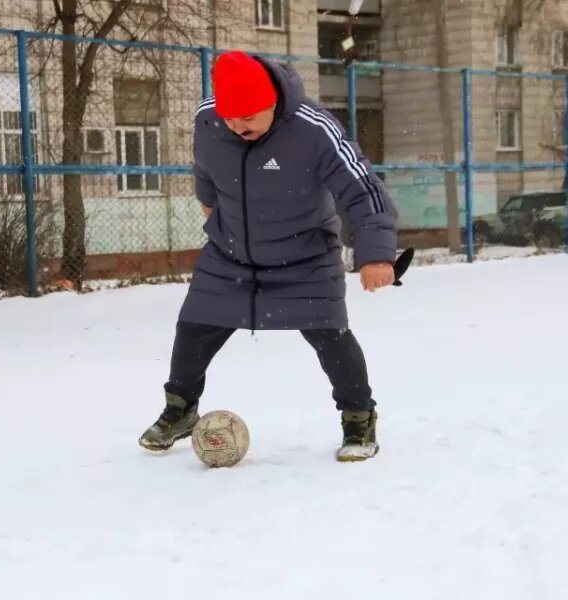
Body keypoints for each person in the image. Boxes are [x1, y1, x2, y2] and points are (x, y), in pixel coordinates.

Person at [138, 50, 400, 462]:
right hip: (230, 254)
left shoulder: (314, 129)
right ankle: (180, 409)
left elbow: (362, 188)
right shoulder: (208, 119)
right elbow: (205, 167)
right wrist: (209, 202)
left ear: (272, 101)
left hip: (305, 256)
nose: (236, 126)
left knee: (330, 336)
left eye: (247, 116)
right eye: (230, 117)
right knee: (194, 327)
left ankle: (358, 418)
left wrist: (376, 255)